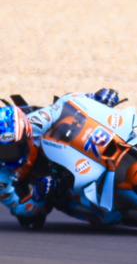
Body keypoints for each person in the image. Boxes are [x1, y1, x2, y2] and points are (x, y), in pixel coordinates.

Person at [0, 88, 123, 230]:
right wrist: (37, 198)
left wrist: (95, 98)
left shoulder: (37, 122)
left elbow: (65, 102)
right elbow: (18, 210)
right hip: (49, 185)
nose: (7, 156)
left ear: (26, 135)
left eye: (12, 149)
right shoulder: (1, 180)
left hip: (64, 149)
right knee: (107, 218)